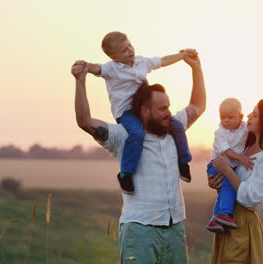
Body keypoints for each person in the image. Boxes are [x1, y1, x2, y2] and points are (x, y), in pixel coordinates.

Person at [72, 52, 206, 263]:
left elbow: (198, 105)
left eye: (168, 107)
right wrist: (81, 82)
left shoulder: (174, 129)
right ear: (144, 111)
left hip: (175, 228)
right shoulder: (123, 136)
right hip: (139, 230)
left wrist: (196, 68)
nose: (168, 113)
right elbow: (85, 121)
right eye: (162, 109)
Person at [74, 31, 194, 194]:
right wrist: (85, 66)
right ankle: (126, 173)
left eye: (129, 45)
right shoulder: (112, 69)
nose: (130, 50)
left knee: (177, 126)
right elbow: (96, 68)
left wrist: (181, 56)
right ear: (115, 57)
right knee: (137, 134)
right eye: (124, 50)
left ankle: (183, 163)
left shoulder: (142, 62)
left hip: (146, 108)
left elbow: (162, 61)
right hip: (126, 113)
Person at [207, 98, 263, 264]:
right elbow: (230, 178)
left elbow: (253, 197)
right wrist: (215, 182)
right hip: (225, 217)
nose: (249, 116)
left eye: (255, 115)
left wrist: (227, 171)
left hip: (242, 223)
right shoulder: (245, 144)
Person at [205, 98, 254, 233]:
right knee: (228, 185)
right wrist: (240, 158)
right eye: (222, 117)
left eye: (230, 117)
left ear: (240, 117)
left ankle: (215, 219)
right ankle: (225, 214)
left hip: (228, 165)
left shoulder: (244, 127)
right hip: (217, 164)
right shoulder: (220, 133)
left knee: (222, 191)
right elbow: (225, 151)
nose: (225, 120)